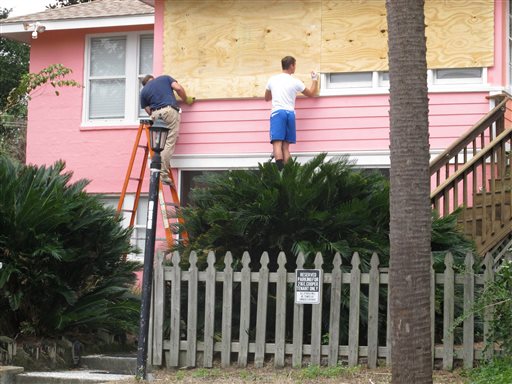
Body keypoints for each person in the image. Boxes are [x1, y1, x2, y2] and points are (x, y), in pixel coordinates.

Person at [264, 56, 318, 170]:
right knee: (286, 148)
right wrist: (314, 79)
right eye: (295, 65)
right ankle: (290, 176)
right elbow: (312, 93)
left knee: (277, 145)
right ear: (292, 65)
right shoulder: (295, 82)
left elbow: (267, 98)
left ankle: (281, 174)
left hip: (278, 113)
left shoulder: (272, 80)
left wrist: (277, 92)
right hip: (290, 114)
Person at [140, 74, 194, 184]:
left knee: (161, 143)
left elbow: (148, 110)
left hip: (155, 114)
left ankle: (159, 163)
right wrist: (185, 99)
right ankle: (163, 174)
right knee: (169, 142)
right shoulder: (164, 78)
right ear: (153, 79)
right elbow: (178, 88)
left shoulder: (143, 91)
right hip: (169, 110)